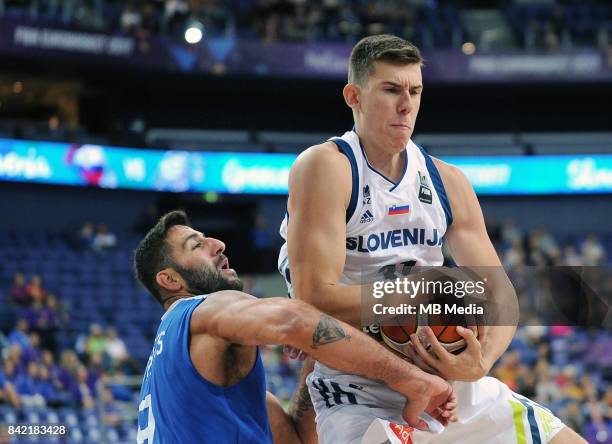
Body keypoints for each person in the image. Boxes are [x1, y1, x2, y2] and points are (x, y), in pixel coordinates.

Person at [279, 34, 586, 443]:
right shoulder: (326, 167)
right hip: (360, 388)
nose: (406, 104)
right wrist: (415, 293)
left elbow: (503, 296)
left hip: (446, 384)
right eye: (391, 90)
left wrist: (480, 363)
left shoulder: (447, 180)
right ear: (354, 96)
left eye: (415, 91)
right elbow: (313, 298)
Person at [133, 210, 457, 444]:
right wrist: (414, 381)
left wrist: (321, 348)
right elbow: (293, 322)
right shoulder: (193, 311)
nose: (217, 244)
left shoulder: (214, 392)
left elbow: (300, 440)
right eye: (196, 245)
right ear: (170, 280)